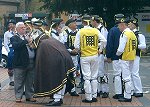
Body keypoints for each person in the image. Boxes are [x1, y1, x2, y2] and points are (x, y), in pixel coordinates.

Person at [33, 18, 76, 106]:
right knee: (62, 79)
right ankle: (59, 98)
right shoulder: (49, 38)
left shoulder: (43, 44)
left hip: (57, 60)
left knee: (57, 79)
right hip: (65, 57)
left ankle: (57, 99)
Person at [74, 15, 107, 103]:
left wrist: (80, 50)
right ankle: (94, 95)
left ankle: (88, 97)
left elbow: (76, 46)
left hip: (85, 56)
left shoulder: (80, 31)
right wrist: (99, 50)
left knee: (86, 77)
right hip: (95, 56)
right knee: (94, 77)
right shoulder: (95, 30)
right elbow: (104, 40)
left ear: (83, 22)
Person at [10, 22, 36, 103]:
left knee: (30, 81)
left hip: (31, 62)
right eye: (22, 27)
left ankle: (30, 96)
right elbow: (16, 46)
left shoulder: (27, 36)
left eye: (24, 27)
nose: (24, 29)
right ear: (17, 29)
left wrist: (32, 43)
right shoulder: (14, 37)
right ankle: (18, 96)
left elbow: (33, 46)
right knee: (19, 81)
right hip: (20, 63)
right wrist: (26, 41)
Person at [116, 14, 137, 102]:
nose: (118, 27)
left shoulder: (124, 34)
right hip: (132, 56)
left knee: (126, 78)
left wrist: (117, 54)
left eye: (118, 25)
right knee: (129, 76)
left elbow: (121, 48)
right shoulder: (132, 33)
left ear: (122, 24)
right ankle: (129, 93)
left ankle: (127, 96)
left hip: (125, 57)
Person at [106, 14, 124, 99]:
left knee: (117, 75)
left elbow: (110, 44)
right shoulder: (128, 30)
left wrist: (108, 56)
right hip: (127, 56)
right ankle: (127, 92)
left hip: (116, 56)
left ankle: (119, 93)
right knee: (126, 75)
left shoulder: (113, 30)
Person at [91, 15, 109, 98]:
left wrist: (100, 49)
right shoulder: (95, 29)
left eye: (92, 21)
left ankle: (105, 90)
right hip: (96, 53)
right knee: (97, 72)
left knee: (102, 72)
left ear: (95, 21)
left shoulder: (102, 29)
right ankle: (98, 90)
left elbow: (104, 42)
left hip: (101, 53)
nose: (91, 23)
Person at [128, 19, 146, 97]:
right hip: (129, 55)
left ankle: (139, 90)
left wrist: (134, 46)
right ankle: (131, 90)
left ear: (134, 25)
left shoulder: (139, 34)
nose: (128, 25)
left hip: (135, 55)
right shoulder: (128, 33)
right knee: (129, 73)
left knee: (135, 73)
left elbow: (143, 46)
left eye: (130, 24)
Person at [63, 18, 79, 96]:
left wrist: (77, 50)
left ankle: (73, 89)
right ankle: (66, 88)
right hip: (68, 55)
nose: (76, 24)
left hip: (75, 55)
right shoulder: (65, 33)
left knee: (74, 72)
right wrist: (70, 50)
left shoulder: (78, 32)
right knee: (67, 72)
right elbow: (64, 44)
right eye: (74, 23)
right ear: (69, 25)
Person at [4, 19, 16, 86]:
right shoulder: (7, 33)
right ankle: (11, 80)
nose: (10, 26)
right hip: (11, 49)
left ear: (14, 25)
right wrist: (9, 51)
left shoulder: (17, 32)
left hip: (17, 48)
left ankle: (17, 79)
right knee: (10, 65)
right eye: (9, 24)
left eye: (12, 24)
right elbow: (5, 44)